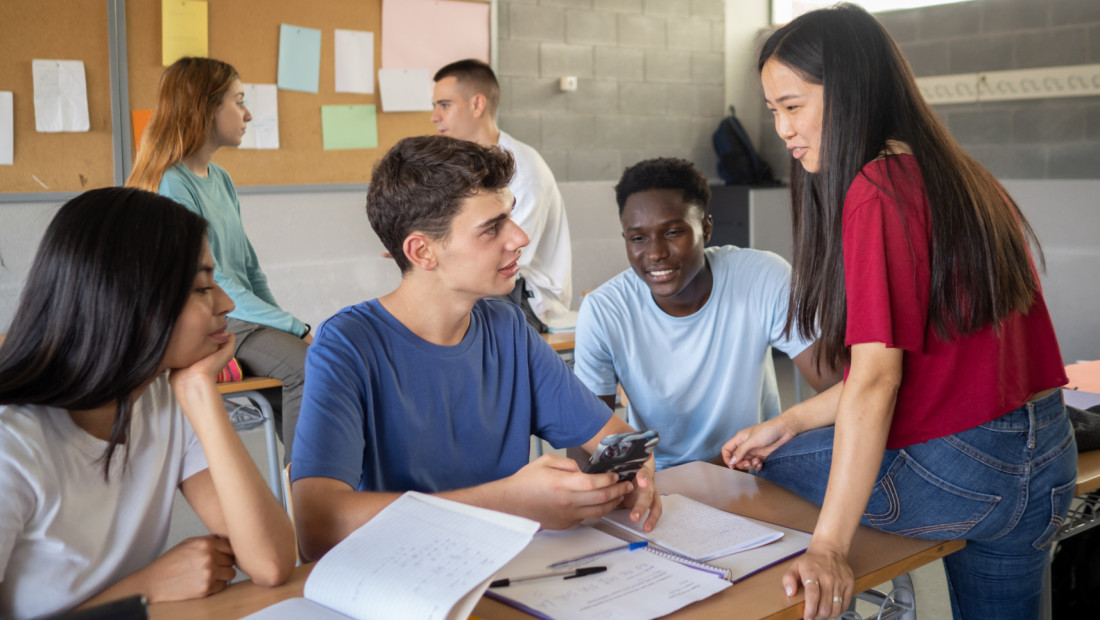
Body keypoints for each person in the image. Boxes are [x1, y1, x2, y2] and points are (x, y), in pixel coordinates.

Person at [721, 5, 1075, 620]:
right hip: (1045, 455)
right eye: (773, 111)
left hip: (967, 469)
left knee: (733, 467)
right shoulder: (963, 176)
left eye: (793, 106)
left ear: (851, 92)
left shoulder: (876, 191)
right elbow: (919, 368)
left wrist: (830, 547)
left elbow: (878, 381)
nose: (781, 129)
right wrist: (794, 418)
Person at [290, 135, 660, 562]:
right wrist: (512, 500)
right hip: (404, 579)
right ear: (422, 251)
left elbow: (613, 440)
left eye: (511, 217)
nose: (519, 237)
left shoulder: (508, 328)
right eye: (492, 227)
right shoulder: (347, 346)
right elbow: (317, 527)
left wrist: (632, 474)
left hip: (507, 570)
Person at [0, 188, 296, 618]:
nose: (227, 304)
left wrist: (200, 391)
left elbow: (270, 561)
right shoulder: (12, 444)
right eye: (201, 288)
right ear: (130, 300)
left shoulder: (162, 398)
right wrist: (143, 588)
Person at [574, 157, 839, 470]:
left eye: (673, 232)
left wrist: (789, 424)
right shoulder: (604, 311)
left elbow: (843, 388)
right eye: (638, 238)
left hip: (755, 470)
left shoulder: (761, 277)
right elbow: (585, 443)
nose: (656, 253)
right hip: (663, 484)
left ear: (707, 228)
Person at [128, 56, 308, 464]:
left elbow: (248, 266)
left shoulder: (221, 178)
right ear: (205, 108)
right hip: (204, 317)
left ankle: (305, 483)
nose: (247, 114)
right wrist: (296, 328)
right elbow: (216, 280)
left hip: (235, 314)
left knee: (309, 363)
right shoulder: (172, 183)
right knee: (308, 369)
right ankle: (310, 494)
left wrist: (283, 321)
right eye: (238, 101)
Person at [431, 58, 572, 324]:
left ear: (477, 104)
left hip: (527, 297)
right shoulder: (463, 165)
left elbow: (505, 257)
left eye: (445, 105)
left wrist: (436, 250)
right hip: (488, 278)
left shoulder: (524, 170)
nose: (434, 116)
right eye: (435, 105)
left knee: (449, 309)